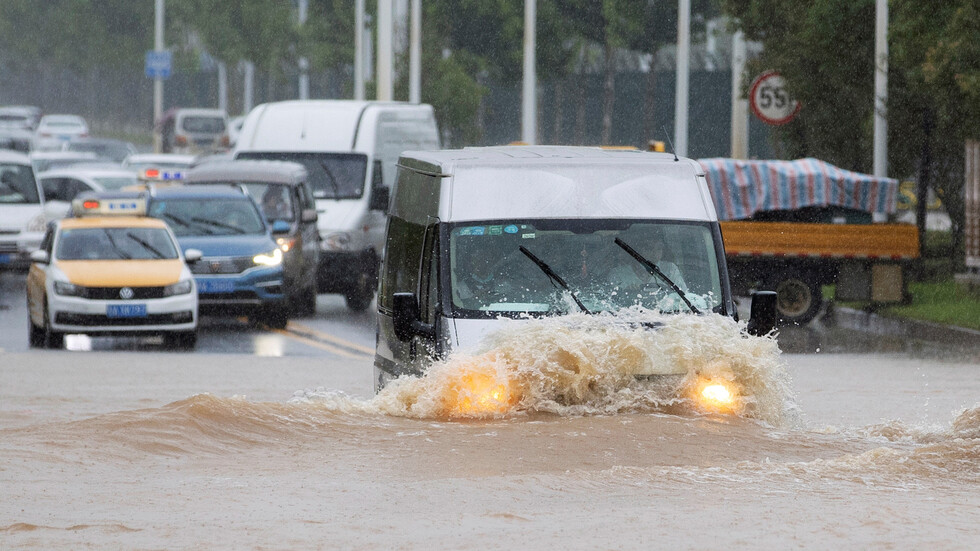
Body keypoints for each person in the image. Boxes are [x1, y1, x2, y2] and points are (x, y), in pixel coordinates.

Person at [608, 239, 686, 297]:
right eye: (649, 248)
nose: (655, 252)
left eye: (659, 248)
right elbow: (611, 301)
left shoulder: (670, 269)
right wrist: (627, 293)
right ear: (638, 250)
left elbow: (684, 295)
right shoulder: (618, 273)